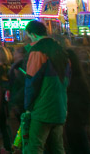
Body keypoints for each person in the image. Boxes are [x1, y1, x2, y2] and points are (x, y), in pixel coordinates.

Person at [23, 20, 70, 154]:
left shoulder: (38, 51)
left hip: (42, 108)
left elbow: (31, 81)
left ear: (32, 34)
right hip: (60, 106)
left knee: (35, 146)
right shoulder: (62, 51)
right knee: (58, 147)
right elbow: (68, 79)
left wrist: (28, 106)